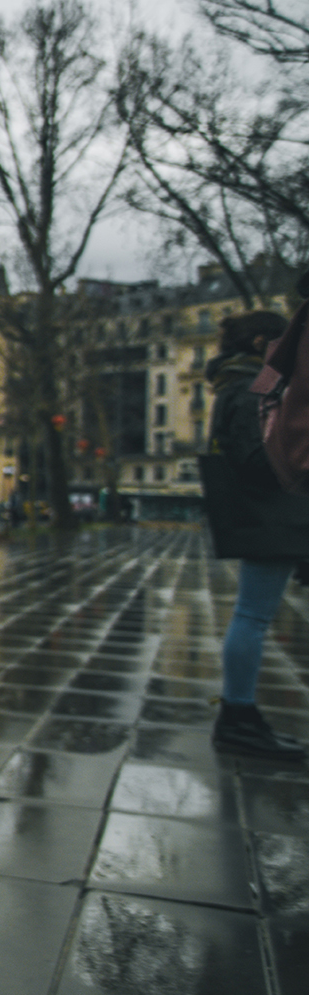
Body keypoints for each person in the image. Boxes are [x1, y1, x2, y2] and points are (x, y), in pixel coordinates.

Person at [199, 310, 307, 759]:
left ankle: (239, 716)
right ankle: (238, 717)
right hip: (270, 517)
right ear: (262, 343)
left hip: (269, 515)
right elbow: (255, 456)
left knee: (252, 617)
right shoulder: (248, 387)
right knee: (253, 617)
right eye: (281, 345)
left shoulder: (244, 383)